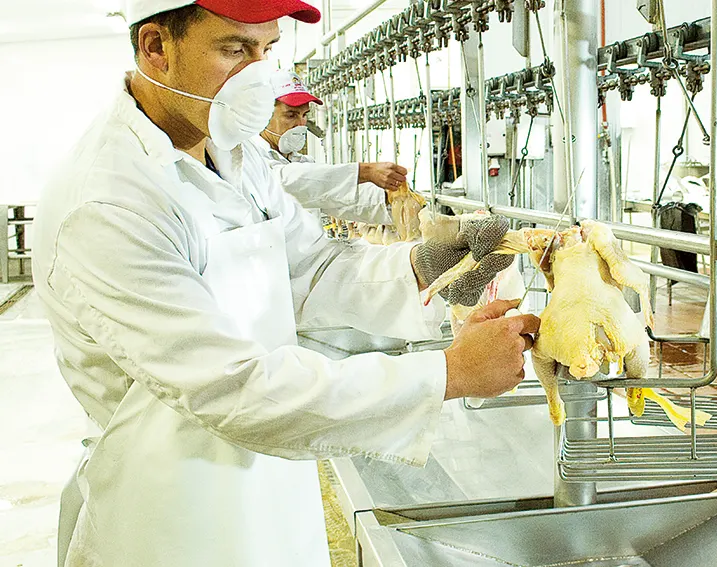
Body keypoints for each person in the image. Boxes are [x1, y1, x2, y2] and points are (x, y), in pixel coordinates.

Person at [31, 1, 539, 566]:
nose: (257, 75)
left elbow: (310, 267)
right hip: (168, 509)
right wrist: (449, 373)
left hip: (269, 474)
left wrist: (428, 267)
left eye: (267, 50)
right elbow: (229, 387)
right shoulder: (109, 202)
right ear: (156, 48)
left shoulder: (237, 154)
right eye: (233, 50)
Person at [252, 70, 406, 224]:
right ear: (263, 115)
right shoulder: (249, 156)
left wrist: (391, 198)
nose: (300, 124)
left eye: (304, 115)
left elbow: (342, 200)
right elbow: (287, 182)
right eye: (291, 115)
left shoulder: (302, 162)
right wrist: (365, 172)